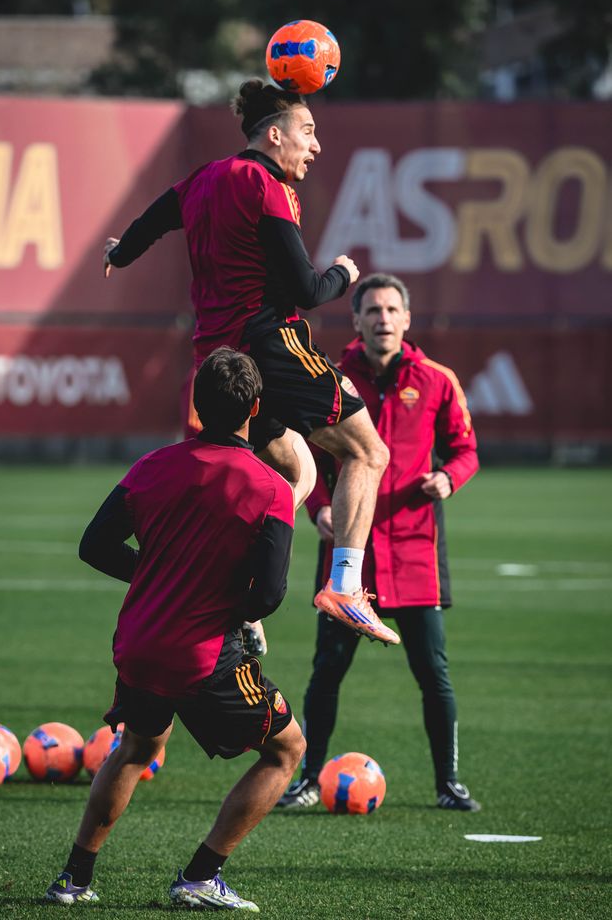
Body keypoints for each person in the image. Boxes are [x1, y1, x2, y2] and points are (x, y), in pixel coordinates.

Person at [102, 78, 398, 645]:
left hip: (218, 364)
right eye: (307, 132)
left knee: (298, 473)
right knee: (368, 451)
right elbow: (309, 289)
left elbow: (152, 221)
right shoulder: (267, 186)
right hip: (269, 346)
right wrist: (344, 272)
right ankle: (345, 586)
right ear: (273, 134)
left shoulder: (203, 179)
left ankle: (233, 591)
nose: (315, 146)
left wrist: (120, 253)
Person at [45, 348, 305, 911]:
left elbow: (95, 545)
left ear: (195, 406)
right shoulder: (271, 488)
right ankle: (200, 875)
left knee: (138, 747)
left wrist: (156, 576)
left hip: (138, 644)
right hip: (203, 653)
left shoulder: (152, 466)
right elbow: (268, 595)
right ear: (256, 409)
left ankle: (74, 879)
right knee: (287, 751)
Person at [277, 274, 481, 812]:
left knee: (433, 673)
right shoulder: (331, 378)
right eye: (372, 310)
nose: (383, 318)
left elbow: (465, 449)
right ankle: (306, 780)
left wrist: (449, 478)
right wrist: (320, 506)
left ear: (407, 320)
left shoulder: (437, 380)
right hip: (350, 552)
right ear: (357, 320)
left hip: (416, 553)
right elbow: (309, 456)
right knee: (327, 671)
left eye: (392, 310)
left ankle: (448, 783)